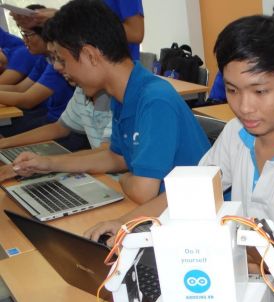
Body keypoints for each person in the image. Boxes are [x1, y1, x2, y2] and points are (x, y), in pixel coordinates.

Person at [85, 15, 274, 302]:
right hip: (236, 287)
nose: (244, 107)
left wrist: (226, 256)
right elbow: (186, 194)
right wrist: (127, 225)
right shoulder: (235, 135)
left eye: (260, 91)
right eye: (232, 90)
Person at [10, 0, 209, 205]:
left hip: (194, 213)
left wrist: (124, 177)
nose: (58, 68)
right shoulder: (123, 94)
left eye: (62, 59)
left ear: (90, 55)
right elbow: (115, 157)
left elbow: (143, 192)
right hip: (162, 209)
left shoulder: (154, 99)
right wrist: (48, 164)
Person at [0, 7, 75, 144]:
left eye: (28, 34)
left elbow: (28, 100)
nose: (25, 40)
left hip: (60, 124)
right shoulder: (45, 58)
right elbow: (19, 88)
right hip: (54, 120)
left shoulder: (23, 54)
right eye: (23, 34)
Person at [10, 0, 144, 61]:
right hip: (89, 67)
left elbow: (136, 33)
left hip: (117, 68)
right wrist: (47, 18)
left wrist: (66, 16)